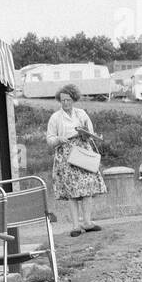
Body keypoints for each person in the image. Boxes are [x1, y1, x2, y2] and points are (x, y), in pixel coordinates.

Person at [47, 84, 106, 235]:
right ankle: (75, 226)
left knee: (87, 188)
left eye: (68, 100)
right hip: (66, 155)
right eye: (62, 101)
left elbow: (90, 133)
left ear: (73, 99)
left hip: (83, 152)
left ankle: (87, 222)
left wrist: (85, 134)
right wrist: (59, 139)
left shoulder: (81, 114)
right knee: (72, 191)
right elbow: (50, 139)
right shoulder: (55, 117)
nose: (65, 103)